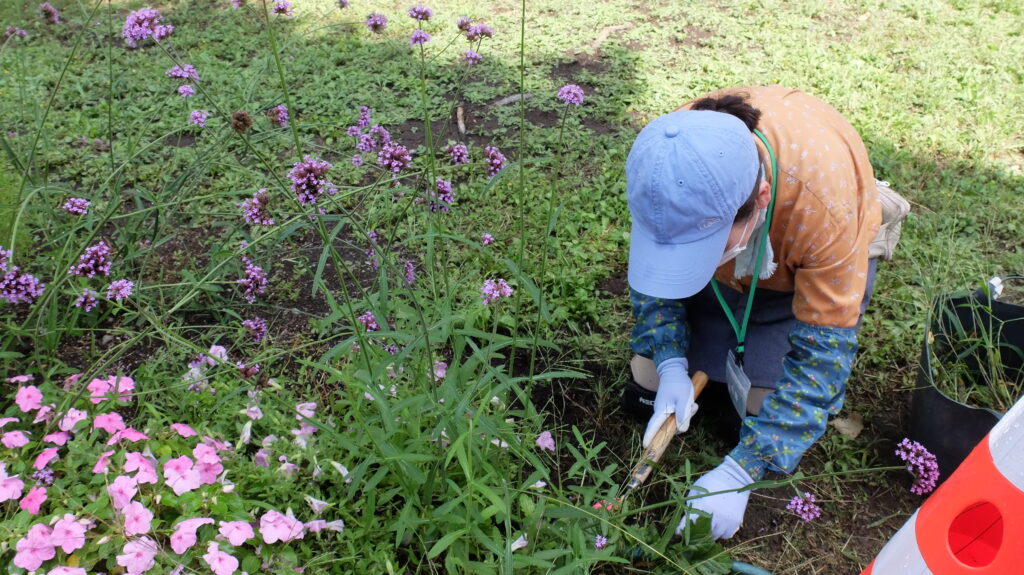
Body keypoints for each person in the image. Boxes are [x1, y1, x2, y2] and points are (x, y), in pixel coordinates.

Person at [622, 85, 883, 540]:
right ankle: (709, 345)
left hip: (792, 282)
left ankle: (743, 356)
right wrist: (668, 363)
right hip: (720, 284)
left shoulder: (823, 204)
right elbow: (656, 280)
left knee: (760, 413)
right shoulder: (667, 161)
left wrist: (742, 472)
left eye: (707, 243)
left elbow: (822, 358)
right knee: (644, 383)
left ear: (760, 198)